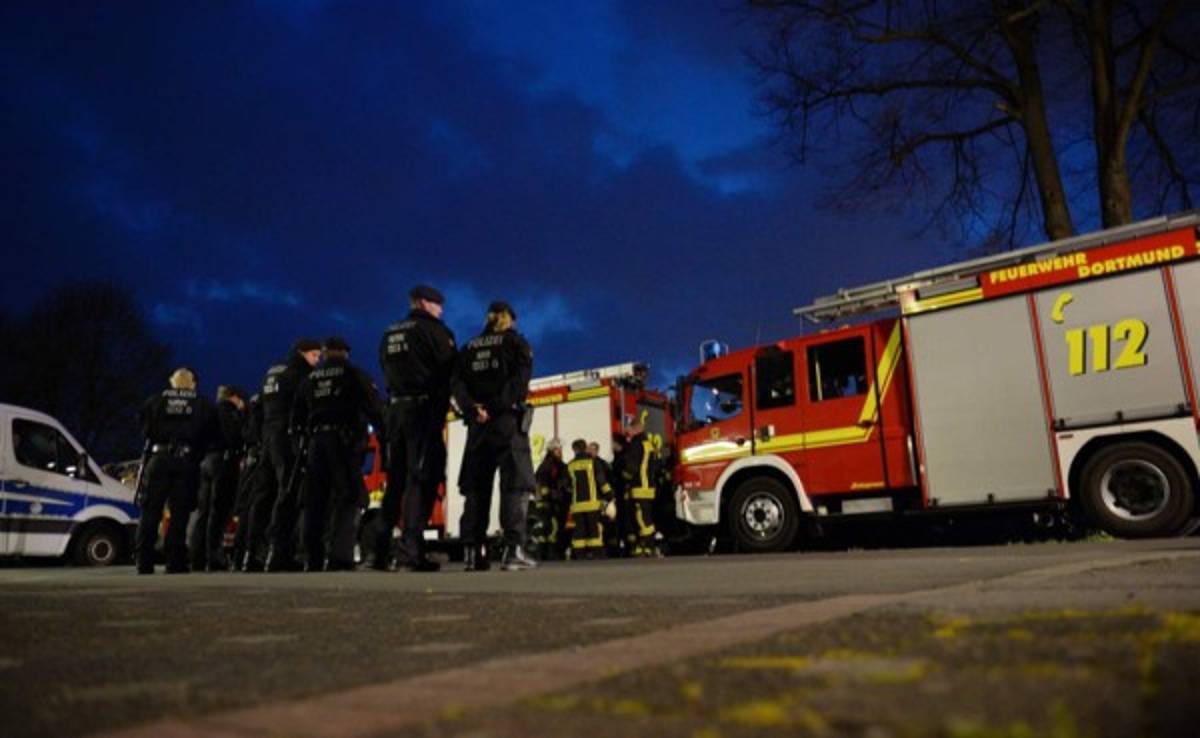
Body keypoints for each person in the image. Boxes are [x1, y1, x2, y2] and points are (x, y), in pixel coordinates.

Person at [452, 301, 537, 572]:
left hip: (478, 424)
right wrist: (497, 406)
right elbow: (519, 383)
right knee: (515, 485)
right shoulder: (515, 344)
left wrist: (472, 408)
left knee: (476, 488)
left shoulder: (468, 348)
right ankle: (514, 550)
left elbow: (456, 384)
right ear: (509, 319)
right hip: (505, 422)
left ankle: (472, 553)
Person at [376, 285, 456, 572]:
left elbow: (385, 367)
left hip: (395, 410)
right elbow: (450, 372)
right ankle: (411, 552)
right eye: (437, 304)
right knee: (420, 479)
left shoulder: (390, 332)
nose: (441, 310)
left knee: (394, 481)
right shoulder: (435, 332)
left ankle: (378, 553)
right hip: (423, 412)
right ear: (424, 303)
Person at [291, 337, 386, 571]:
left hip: (315, 444)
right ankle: (339, 556)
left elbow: (296, 420)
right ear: (345, 353)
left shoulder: (309, 379)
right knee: (350, 496)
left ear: (324, 353)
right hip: (343, 443)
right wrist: (384, 432)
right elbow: (375, 408)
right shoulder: (353, 374)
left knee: (315, 501)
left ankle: (312, 558)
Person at [134, 367, 218, 574]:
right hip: (186, 461)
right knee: (180, 514)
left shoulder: (156, 401)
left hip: (158, 459)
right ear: (192, 384)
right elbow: (211, 432)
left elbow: (144, 426)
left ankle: (144, 561)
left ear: (172, 382)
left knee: (150, 511)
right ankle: (175, 561)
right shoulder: (201, 403)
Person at [261, 338, 322, 572]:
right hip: (287, 435)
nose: (317, 361)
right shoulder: (300, 374)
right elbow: (305, 404)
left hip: (269, 435)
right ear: (302, 353)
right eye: (314, 356)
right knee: (289, 491)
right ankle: (279, 552)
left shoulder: (273, 372)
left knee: (269, 492)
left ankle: (263, 552)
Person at [189, 385, 246, 571]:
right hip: (223, 462)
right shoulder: (228, 412)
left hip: (206, 462)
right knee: (219, 511)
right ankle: (214, 557)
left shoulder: (207, 412)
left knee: (204, 512)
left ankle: (197, 557)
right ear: (233, 398)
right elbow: (234, 436)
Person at [231, 392, 267, 571]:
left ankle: (239, 558)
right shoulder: (266, 402)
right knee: (259, 506)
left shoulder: (252, 404)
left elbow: (245, 431)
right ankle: (252, 555)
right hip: (261, 456)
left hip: (250, 457)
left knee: (247, 508)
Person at [568, 439, 613, 560]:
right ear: (585, 447)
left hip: (577, 504)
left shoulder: (570, 465)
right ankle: (597, 553)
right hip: (592, 503)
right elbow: (601, 480)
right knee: (594, 529)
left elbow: (566, 485)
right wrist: (609, 494)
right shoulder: (593, 462)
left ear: (575, 450)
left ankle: (579, 554)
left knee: (580, 530)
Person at [623, 419, 661, 557]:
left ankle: (648, 546)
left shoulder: (636, 443)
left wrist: (624, 479)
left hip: (639, 485)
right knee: (646, 516)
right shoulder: (648, 444)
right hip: (648, 486)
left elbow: (631, 467)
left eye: (630, 429)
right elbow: (655, 465)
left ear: (636, 428)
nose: (629, 431)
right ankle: (645, 545)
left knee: (641, 517)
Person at [531, 437, 569, 560]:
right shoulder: (550, 465)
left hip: (546, 503)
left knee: (546, 529)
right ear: (553, 450)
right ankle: (552, 553)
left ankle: (544, 554)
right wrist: (554, 496)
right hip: (549, 504)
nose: (561, 452)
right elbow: (544, 486)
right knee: (552, 528)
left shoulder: (547, 464)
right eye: (558, 450)